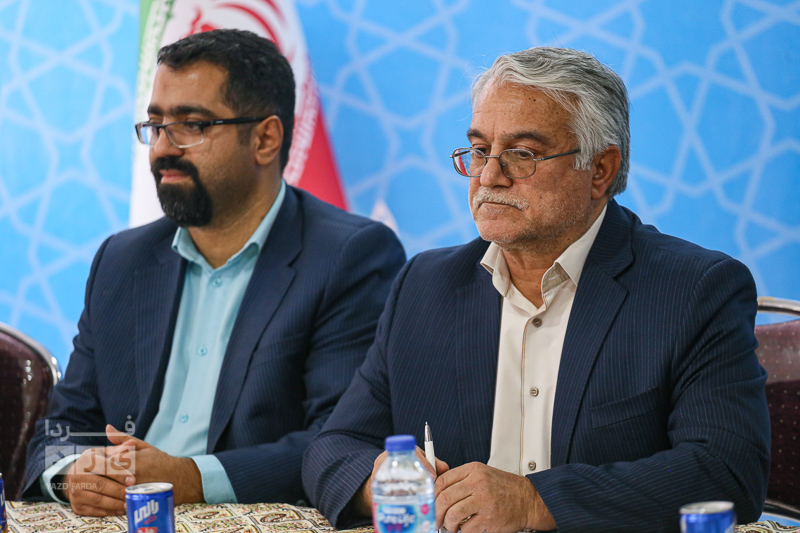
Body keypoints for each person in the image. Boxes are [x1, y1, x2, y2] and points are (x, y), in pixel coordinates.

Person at [302, 47, 770, 533]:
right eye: (480, 150)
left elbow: (727, 471)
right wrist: (384, 482)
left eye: (522, 155)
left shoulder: (693, 290)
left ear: (600, 170)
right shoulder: (425, 285)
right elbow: (333, 448)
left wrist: (535, 502)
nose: (489, 176)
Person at [23, 29, 405, 516]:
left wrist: (191, 477)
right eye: (155, 124)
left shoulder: (349, 256)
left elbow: (340, 442)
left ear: (265, 139)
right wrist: (73, 473)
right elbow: (61, 429)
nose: (162, 148)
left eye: (191, 125)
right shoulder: (122, 260)